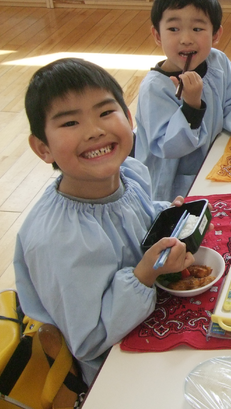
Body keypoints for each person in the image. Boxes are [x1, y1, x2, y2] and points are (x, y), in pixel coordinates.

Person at [14, 58, 195, 386]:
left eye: (105, 112)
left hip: (153, 315)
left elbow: (134, 218)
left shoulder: (129, 173)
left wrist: (165, 215)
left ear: (128, 118)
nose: (94, 131)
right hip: (113, 370)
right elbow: (88, 340)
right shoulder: (57, 239)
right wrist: (143, 275)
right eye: (70, 122)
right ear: (43, 148)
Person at [136, 0, 231, 201]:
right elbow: (166, 147)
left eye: (197, 28)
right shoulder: (155, 88)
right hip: (171, 185)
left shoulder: (217, 61)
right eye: (173, 29)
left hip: (211, 161)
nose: (186, 39)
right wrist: (191, 106)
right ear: (157, 35)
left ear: (215, 34)